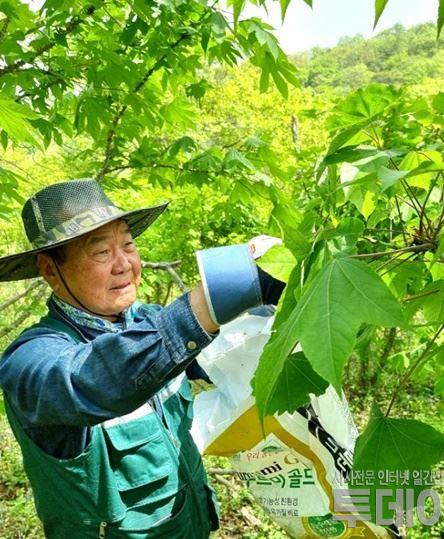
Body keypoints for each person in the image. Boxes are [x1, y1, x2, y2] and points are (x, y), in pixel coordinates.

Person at [0, 179, 285, 538]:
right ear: (49, 270)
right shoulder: (31, 361)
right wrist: (215, 295)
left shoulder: (146, 321)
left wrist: (263, 302)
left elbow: (214, 355)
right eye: (101, 252)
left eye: (129, 245)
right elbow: (95, 378)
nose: (124, 264)